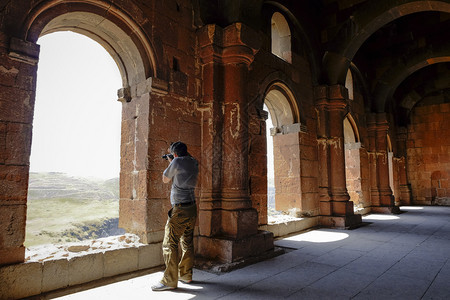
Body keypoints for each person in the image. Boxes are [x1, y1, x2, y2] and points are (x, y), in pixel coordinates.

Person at [151, 141, 199, 291]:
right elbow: (185, 163)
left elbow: (165, 179)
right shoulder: (194, 161)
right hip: (192, 207)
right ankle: (186, 275)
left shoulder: (177, 161)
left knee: (169, 243)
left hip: (180, 209)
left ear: (175, 154)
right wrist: (174, 159)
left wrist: (171, 162)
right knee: (187, 242)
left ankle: (169, 281)